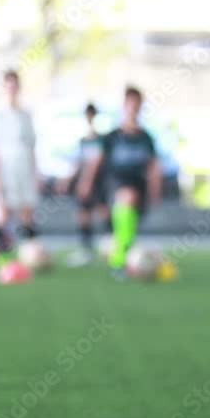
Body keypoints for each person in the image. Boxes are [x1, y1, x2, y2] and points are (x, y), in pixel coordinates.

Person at [78, 86, 161, 280]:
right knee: (127, 198)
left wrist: (155, 189)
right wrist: (87, 182)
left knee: (128, 223)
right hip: (116, 182)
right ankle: (118, 260)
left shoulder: (145, 138)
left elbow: (153, 165)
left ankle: (124, 254)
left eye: (137, 105)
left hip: (138, 183)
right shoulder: (112, 137)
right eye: (130, 104)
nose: (133, 108)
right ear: (124, 106)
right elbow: (97, 161)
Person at [0, 70, 39, 258]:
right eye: (9, 84)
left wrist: (36, 174)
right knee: (3, 211)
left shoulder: (26, 114)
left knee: (27, 210)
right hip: (5, 169)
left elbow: (32, 146)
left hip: (24, 169)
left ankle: (28, 253)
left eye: (15, 84)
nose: (12, 88)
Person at [57, 102, 111, 267]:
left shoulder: (102, 140)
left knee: (104, 212)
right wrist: (67, 179)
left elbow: (98, 162)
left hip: (99, 182)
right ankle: (87, 250)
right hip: (83, 183)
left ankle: (115, 245)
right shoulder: (83, 141)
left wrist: (87, 181)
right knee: (83, 213)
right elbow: (79, 162)